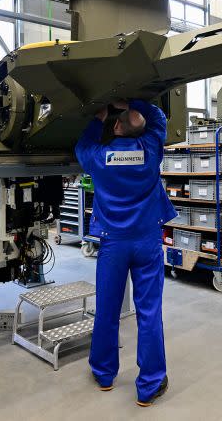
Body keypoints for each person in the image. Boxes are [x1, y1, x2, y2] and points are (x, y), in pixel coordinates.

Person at [75, 99, 176, 407]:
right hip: (146, 241)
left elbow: (82, 146)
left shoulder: (99, 157)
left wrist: (99, 117)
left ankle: (104, 375)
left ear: (116, 127)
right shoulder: (150, 150)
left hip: (113, 244)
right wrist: (133, 103)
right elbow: (158, 119)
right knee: (148, 313)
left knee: (107, 310)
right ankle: (149, 385)